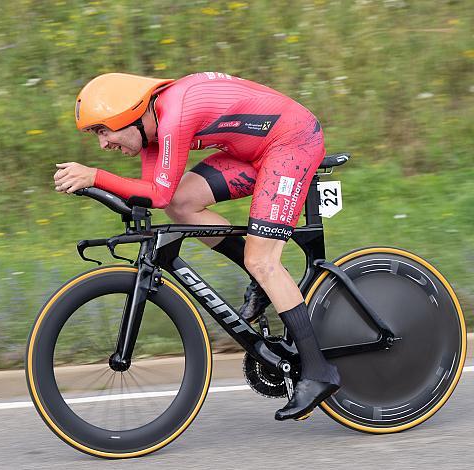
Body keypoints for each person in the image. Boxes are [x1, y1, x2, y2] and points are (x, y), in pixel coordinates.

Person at [53, 72, 340, 421]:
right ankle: (260, 286)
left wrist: (95, 176)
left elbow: (154, 193)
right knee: (181, 204)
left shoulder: (174, 114)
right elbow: (155, 194)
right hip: (252, 151)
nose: (103, 144)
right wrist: (102, 191)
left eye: (102, 131)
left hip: (291, 142)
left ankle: (318, 371)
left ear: (129, 116)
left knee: (263, 260)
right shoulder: (152, 129)